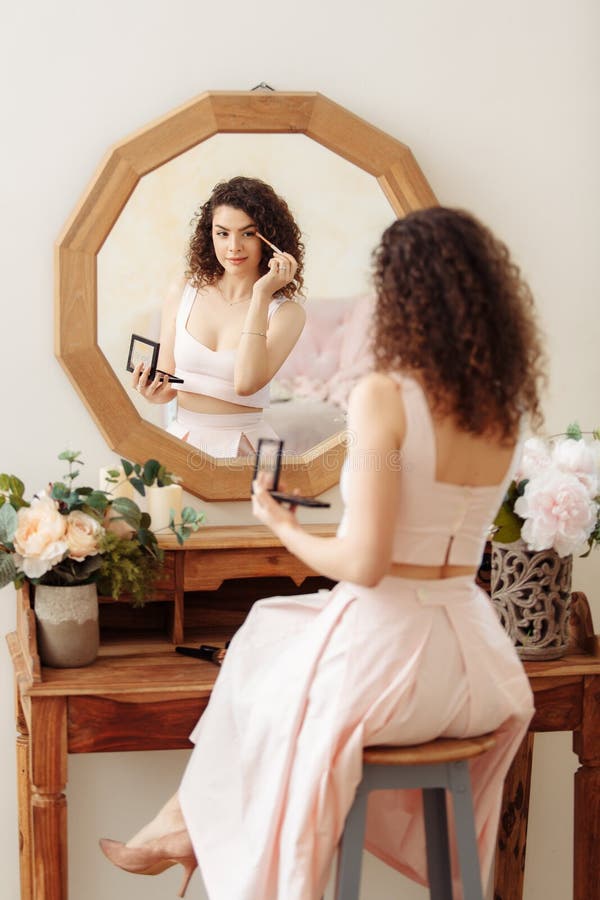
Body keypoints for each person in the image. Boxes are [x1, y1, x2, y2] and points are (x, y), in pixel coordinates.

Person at [102, 207, 545, 899]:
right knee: (277, 625)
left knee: (259, 643)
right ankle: (181, 824)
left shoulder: (382, 397)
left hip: (394, 667)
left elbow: (365, 564)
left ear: (398, 297)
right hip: (478, 668)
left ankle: (191, 830)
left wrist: (282, 526)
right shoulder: (500, 409)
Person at [132, 176, 306, 458]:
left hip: (247, 449)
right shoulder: (183, 290)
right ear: (209, 235)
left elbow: (246, 384)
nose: (234, 247)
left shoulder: (286, 313)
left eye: (248, 234)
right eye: (222, 233)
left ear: (270, 241)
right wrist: (152, 391)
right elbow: (167, 385)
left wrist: (261, 296)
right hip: (182, 441)